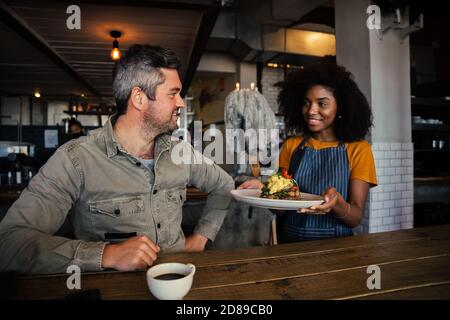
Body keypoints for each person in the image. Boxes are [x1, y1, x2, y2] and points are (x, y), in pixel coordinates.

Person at [0, 44, 234, 274]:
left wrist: (201, 237)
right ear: (139, 98)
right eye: (173, 94)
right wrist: (107, 255)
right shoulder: (76, 160)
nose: (181, 103)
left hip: (179, 286)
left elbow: (224, 184)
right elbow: (8, 243)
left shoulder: (181, 152)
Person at [239, 61, 377, 242]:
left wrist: (338, 203)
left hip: (337, 247)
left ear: (340, 107)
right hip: (290, 243)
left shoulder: (359, 150)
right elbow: (281, 208)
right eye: (306, 103)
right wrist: (264, 191)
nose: (311, 110)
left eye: (322, 103)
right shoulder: (291, 146)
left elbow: (355, 218)